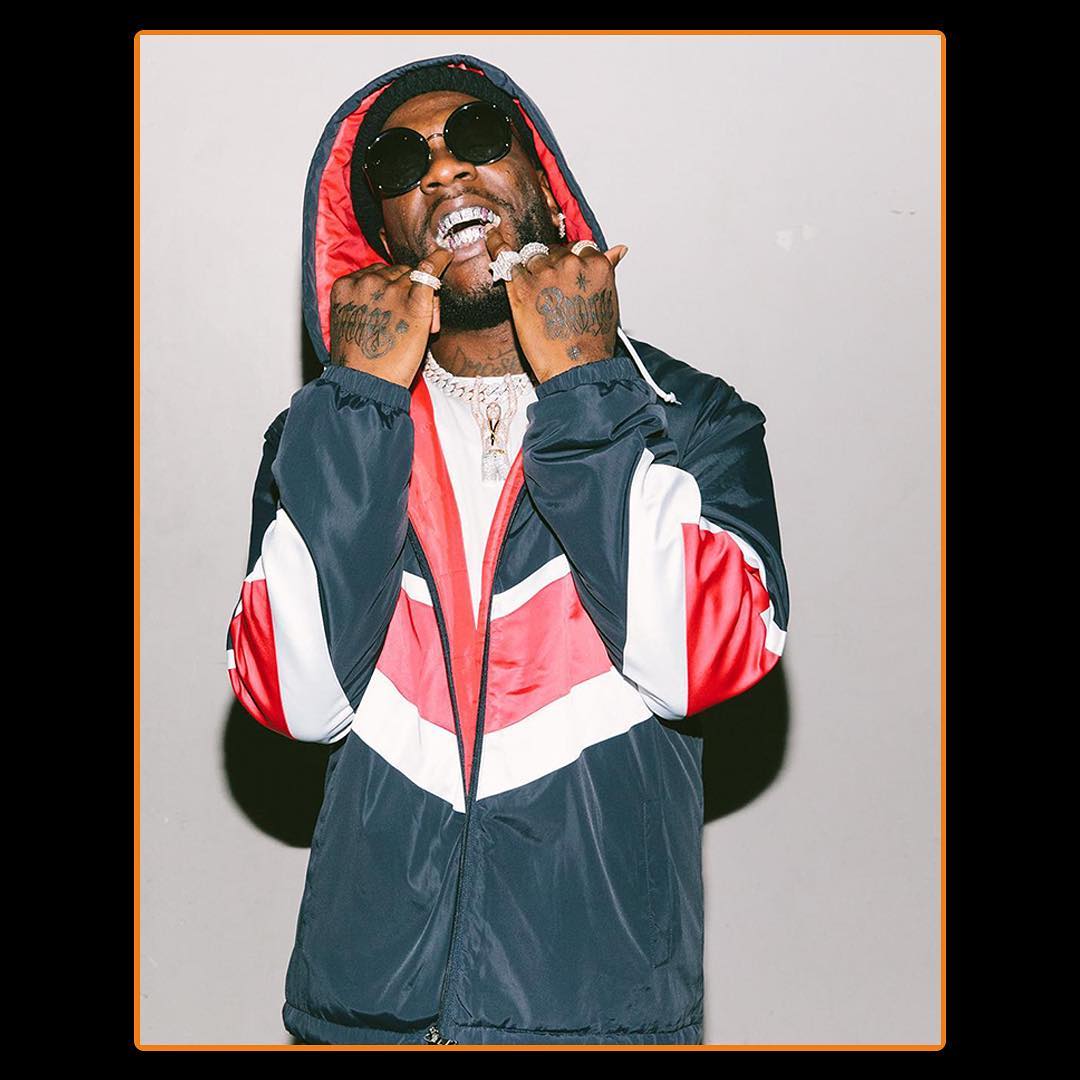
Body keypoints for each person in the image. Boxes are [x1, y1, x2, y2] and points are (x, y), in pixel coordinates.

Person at [225, 55, 790, 1046]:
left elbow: (697, 668)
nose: (444, 170)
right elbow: (295, 703)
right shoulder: (320, 440)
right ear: (381, 237)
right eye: (401, 164)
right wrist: (357, 404)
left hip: (597, 1017)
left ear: (546, 184)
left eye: (479, 137)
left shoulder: (690, 419)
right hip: (365, 1019)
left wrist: (583, 384)